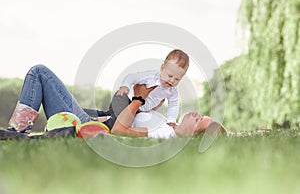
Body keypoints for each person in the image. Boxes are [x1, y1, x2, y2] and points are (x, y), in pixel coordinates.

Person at [0, 64, 226, 140]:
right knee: (40, 75)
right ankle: (18, 131)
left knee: (39, 73)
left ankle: (16, 132)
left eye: (199, 122)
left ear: (191, 136)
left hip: (90, 124)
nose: (197, 115)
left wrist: (139, 99)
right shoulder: (169, 125)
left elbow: (120, 130)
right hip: (100, 116)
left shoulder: (164, 133)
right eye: (201, 116)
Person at [104, 49, 189, 129]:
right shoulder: (151, 77)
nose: (172, 81)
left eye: (177, 79)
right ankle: (104, 126)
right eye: (170, 76)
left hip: (137, 110)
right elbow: (132, 77)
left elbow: (173, 105)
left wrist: (171, 121)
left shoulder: (172, 91)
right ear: (162, 68)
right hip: (124, 100)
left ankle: (96, 116)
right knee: (118, 120)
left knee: (126, 120)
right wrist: (125, 86)